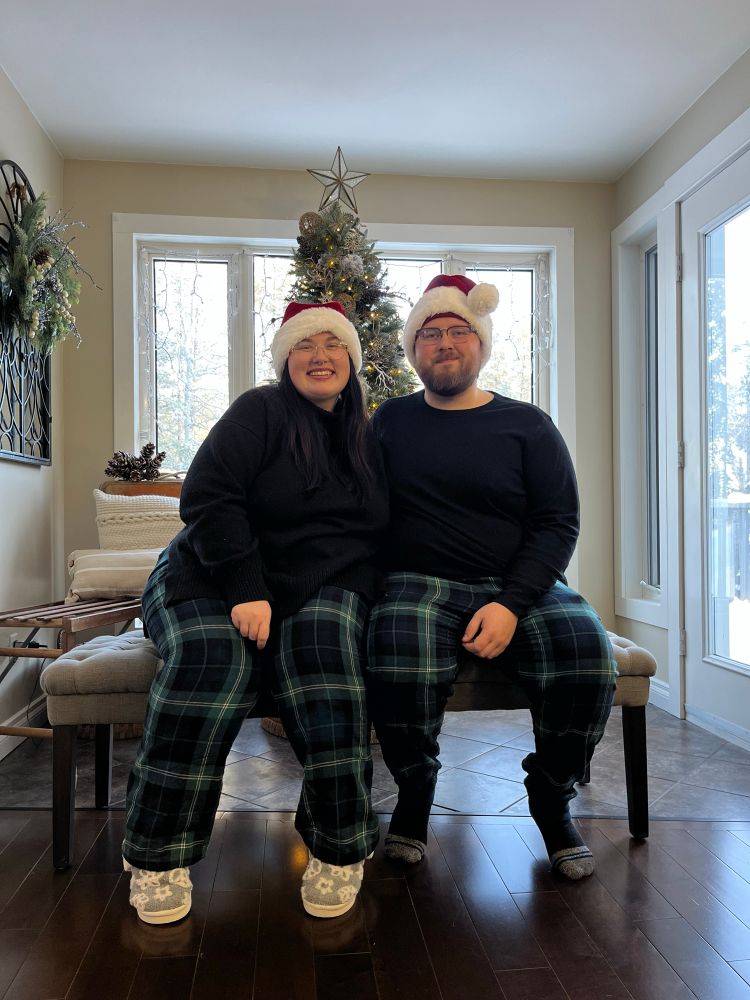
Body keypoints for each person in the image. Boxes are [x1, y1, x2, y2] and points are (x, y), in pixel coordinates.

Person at [122, 300, 388, 923]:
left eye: (333, 344)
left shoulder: (367, 436)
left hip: (312, 587)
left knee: (328, 667)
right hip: (206, 575)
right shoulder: (260, 411)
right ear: (284, 359)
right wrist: (245, 585)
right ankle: (157, 852)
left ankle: (339, 845)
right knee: (212, 663)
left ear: (351, 357)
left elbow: (374, 535)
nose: (320, 356)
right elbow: (208, 495)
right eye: (304, 345)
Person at [366, 274, 616, 880]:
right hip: (416, 583)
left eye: (459, 331)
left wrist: (510, 603)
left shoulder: (528, 426)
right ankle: (415, 796)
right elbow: (361, 513)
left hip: (520, 584)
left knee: (586, 655)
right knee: (396, 653)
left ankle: (551, 797)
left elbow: (558, 523)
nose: (445, 343)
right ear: (413, 350)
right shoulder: (388, 423)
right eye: (430, 333)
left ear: (481, 344)